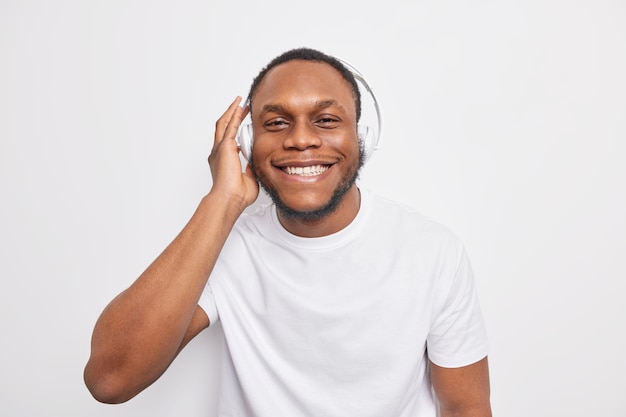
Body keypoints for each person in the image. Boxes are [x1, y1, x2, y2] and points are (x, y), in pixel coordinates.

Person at [84, 47, 492, 417]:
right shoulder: (225, 244)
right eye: (276, 123)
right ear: (247, 141)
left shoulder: (432, 251)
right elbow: (110, 379)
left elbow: (465, 409)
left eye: (326, 120)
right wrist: (222, 200)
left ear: (362, 137)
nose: (300, 139)